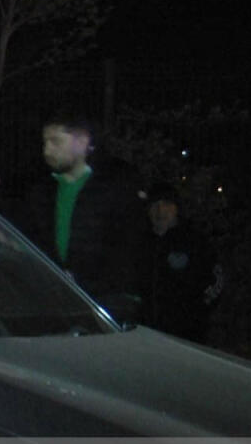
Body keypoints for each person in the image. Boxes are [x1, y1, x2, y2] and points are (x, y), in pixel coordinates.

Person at [24, 113, 144, 322]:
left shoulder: (115, 188)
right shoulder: (42, 192)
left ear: (82, 142)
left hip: (106, 305)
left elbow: (129, 248)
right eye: (45, 142)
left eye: (56, 141)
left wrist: (85, 281)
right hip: (57, 302)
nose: (47, 150)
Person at [140, 182, 223, 342]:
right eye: (155, 205)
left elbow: (216, 281)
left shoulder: (195, 242)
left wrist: (196, 312)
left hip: (186, 336)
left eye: (166, 204)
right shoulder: (141, 244)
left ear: (176, 208)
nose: (160, 211)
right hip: (147, 335)